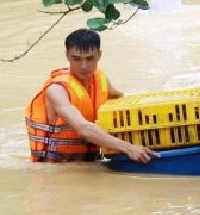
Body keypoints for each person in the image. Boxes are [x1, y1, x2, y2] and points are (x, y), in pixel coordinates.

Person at [25, 29, 159, 163]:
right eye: (76, 59)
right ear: (67, 56)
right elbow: (83, 128)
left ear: (99, 55)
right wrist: (128, 148)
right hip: (57, 168)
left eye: (90, 58)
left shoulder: (101, 80)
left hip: (92, 161)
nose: (84, 66)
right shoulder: (57, 90)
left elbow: (122, 101)